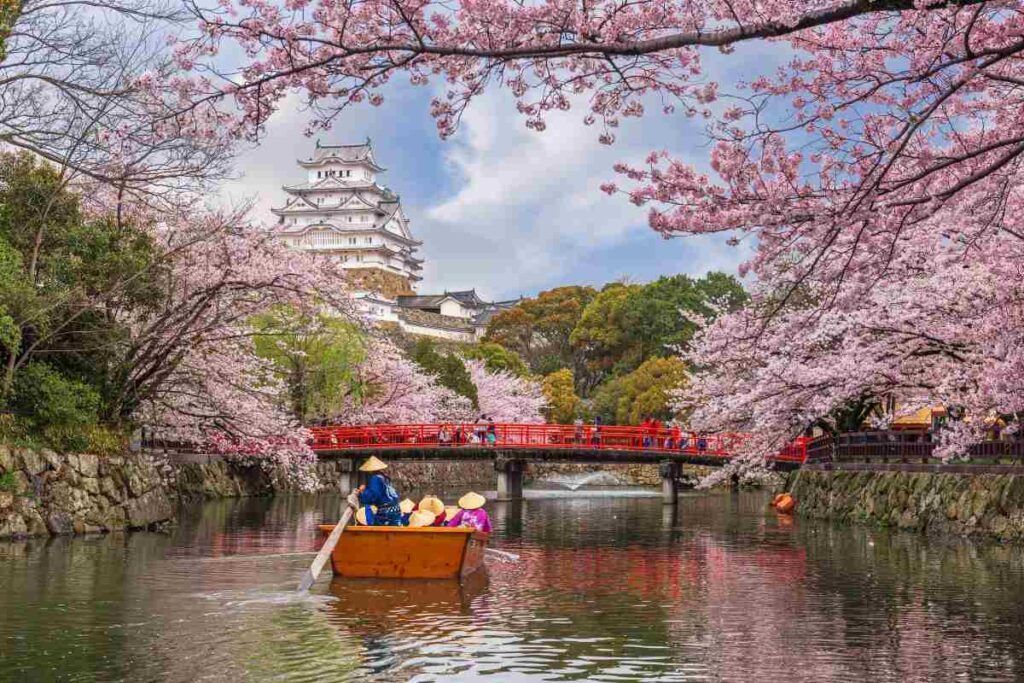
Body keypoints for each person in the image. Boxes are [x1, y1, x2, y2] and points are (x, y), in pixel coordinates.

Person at [349, 456, 403, 526]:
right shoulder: (384, 477)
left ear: (370, 471)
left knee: (371, 516)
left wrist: (361, 493)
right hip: (396, 510)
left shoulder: (375, 479)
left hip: (386, 513)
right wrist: (366, 490)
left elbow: (373, 497)